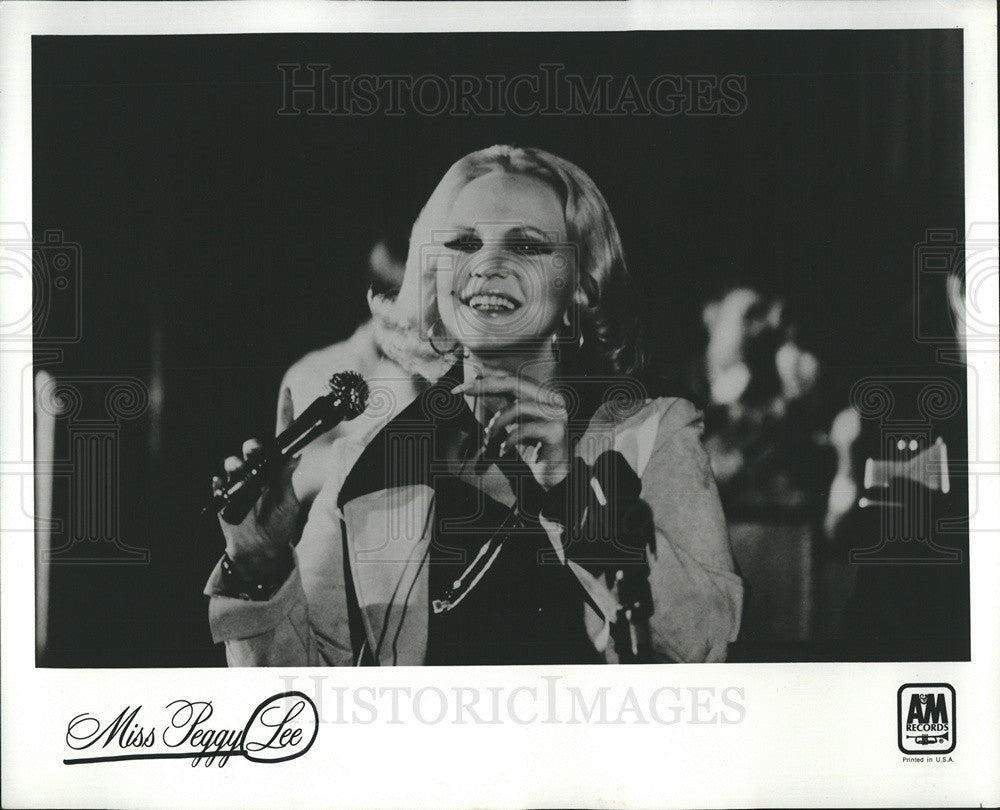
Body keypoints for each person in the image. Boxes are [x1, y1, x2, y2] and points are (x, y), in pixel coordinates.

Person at [205, 145, 744, 666]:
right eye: (464, 243)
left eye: (528, 246)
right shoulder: (367, 468)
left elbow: (704, 646)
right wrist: (260, 566)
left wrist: (572, 492)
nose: (487, 264)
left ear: (581, 286)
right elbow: (301, 709)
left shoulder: (657, 432)